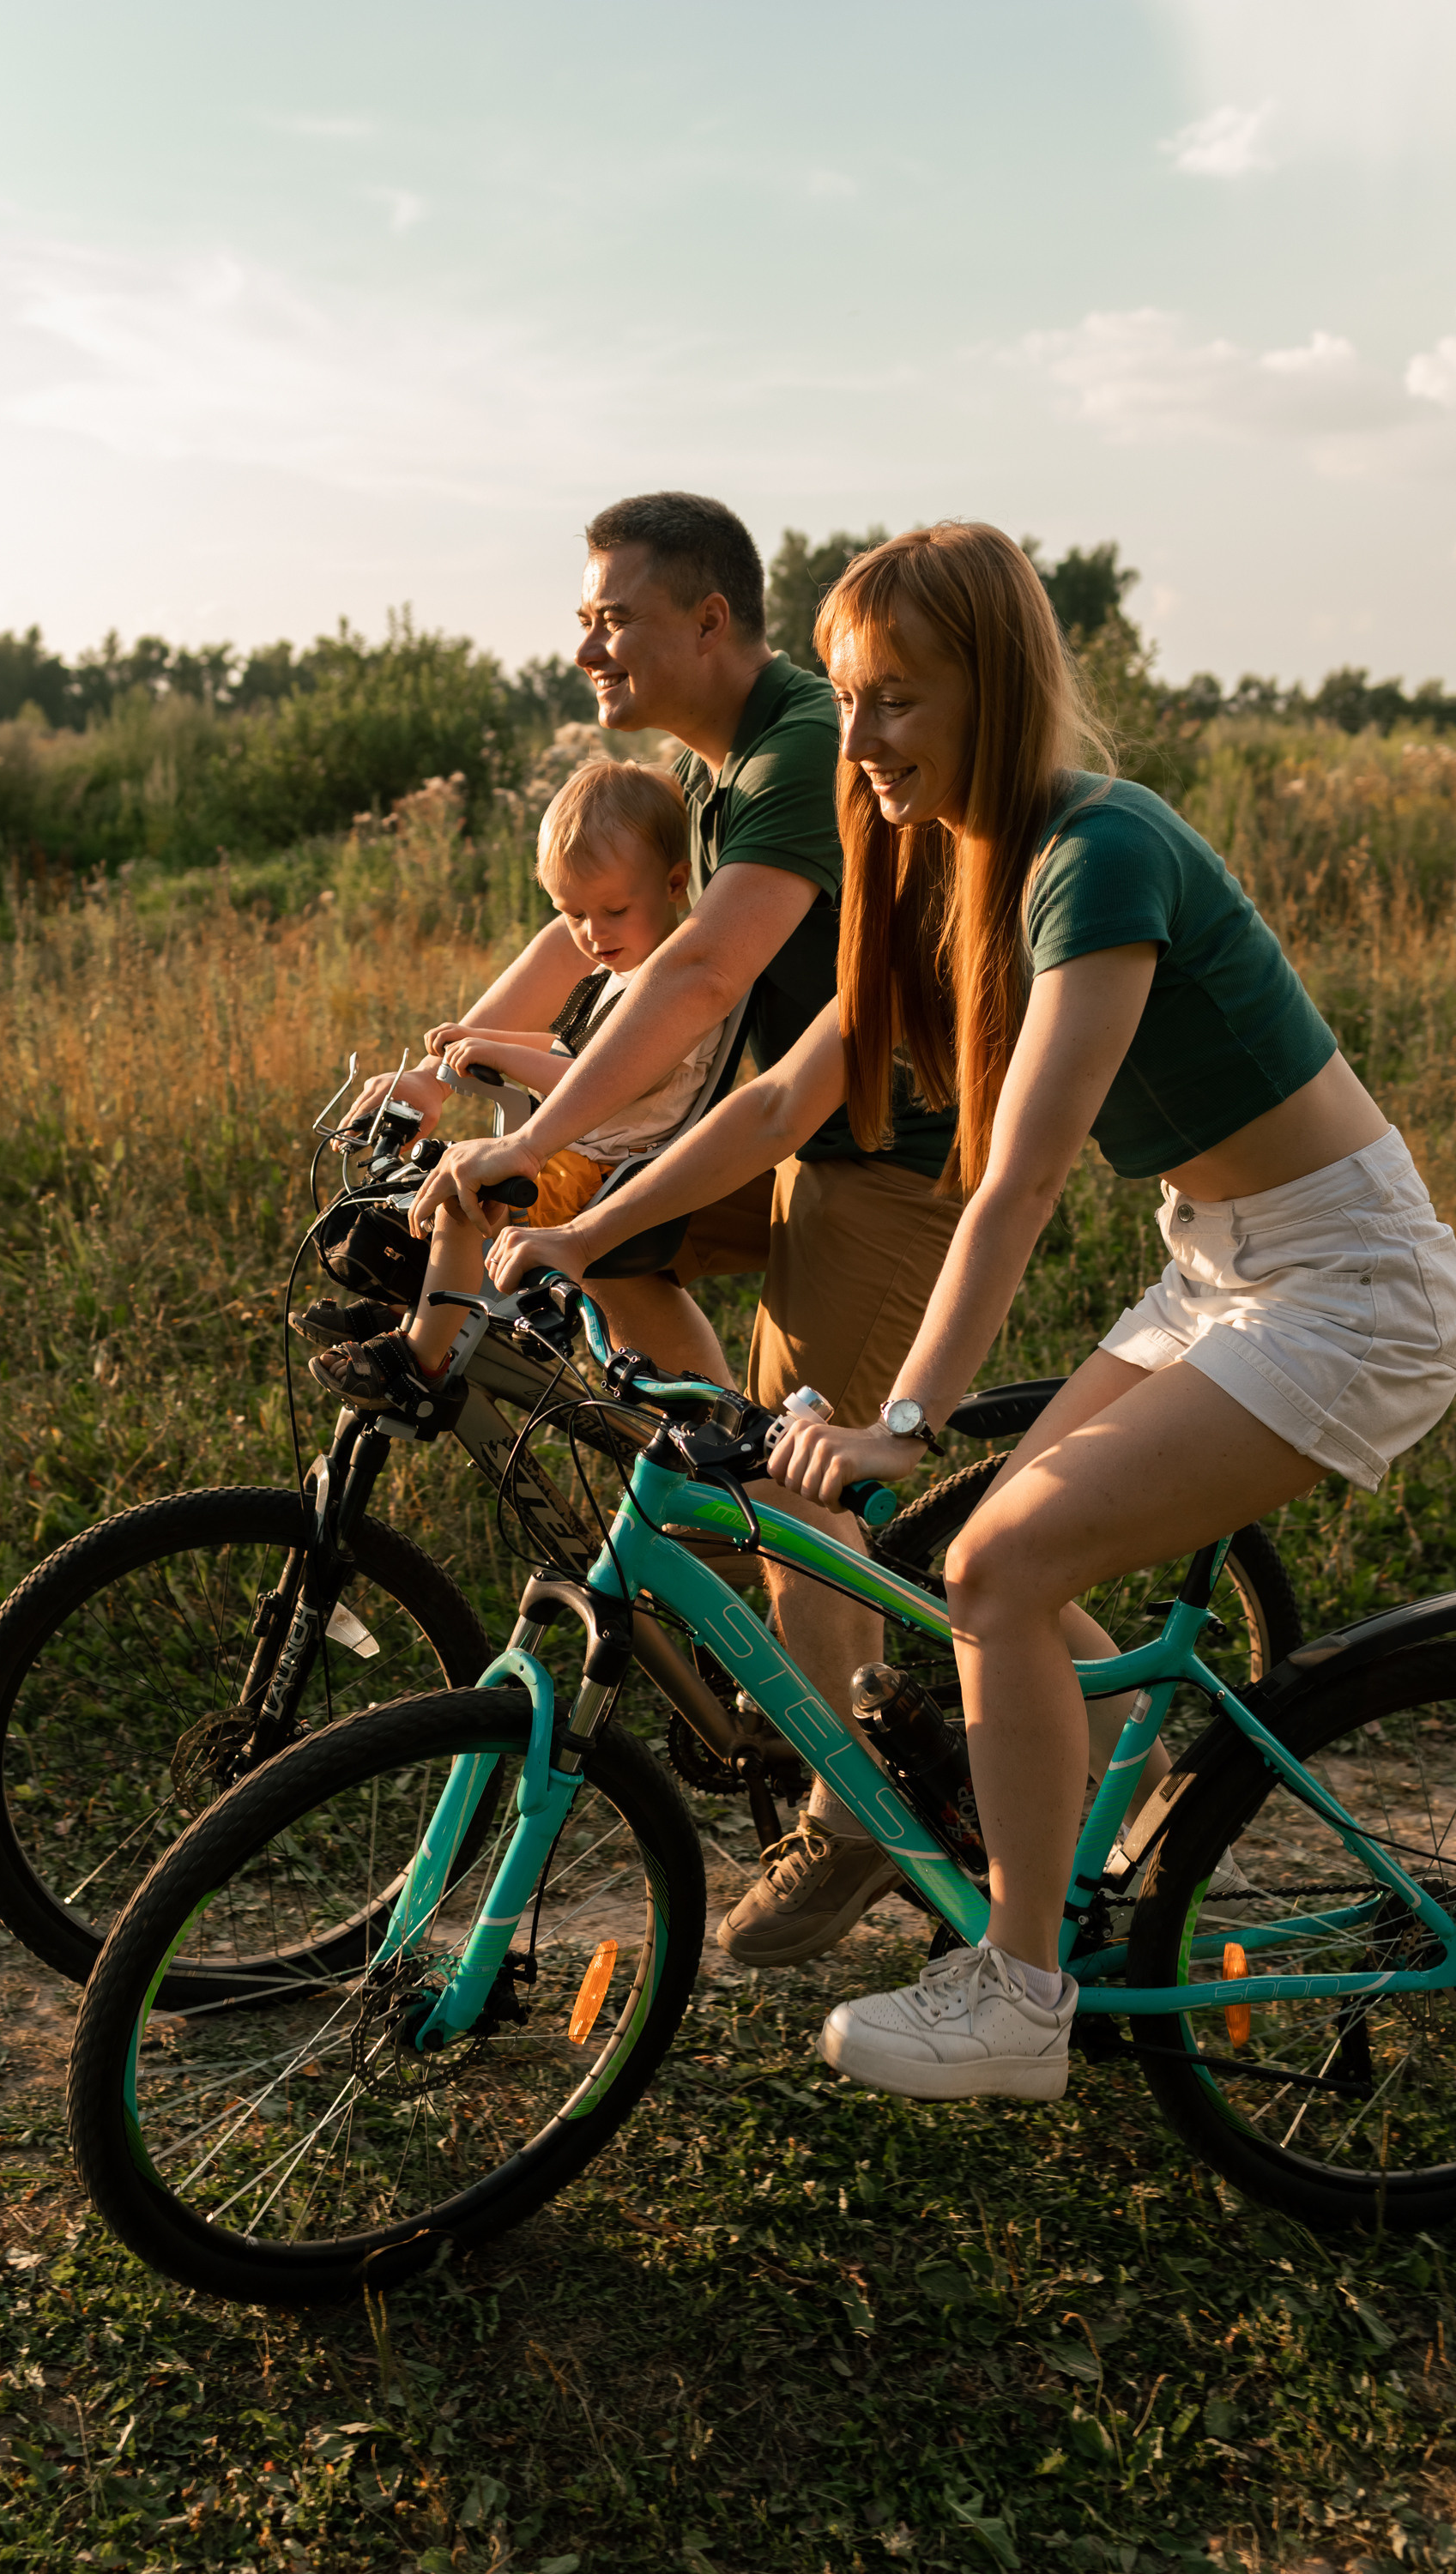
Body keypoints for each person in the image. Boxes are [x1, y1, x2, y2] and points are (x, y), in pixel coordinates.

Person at [487, 519, 1456, 2104]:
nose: (855, 740)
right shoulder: (955, 867)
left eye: (898, 703)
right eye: (850, 699)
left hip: (1346, 1282)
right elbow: (796, 1091)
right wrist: (580, 1220)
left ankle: (1019, 1992)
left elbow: (1011, 1181)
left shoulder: (1099, 852)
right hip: (1224, 1260)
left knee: (996, 1561)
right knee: (968, 1563)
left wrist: (901, 1421)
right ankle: (1127, 1817)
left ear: (993, 693)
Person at [408, 492, 964, 1969]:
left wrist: (529, 1143)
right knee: (628, 1260)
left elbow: (704, 973)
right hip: (784, 1124)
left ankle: (858, 1810)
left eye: (613, 614)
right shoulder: (708, 768)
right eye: (586, 616)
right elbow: (582, 941)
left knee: (797, 1483)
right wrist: (467, 1068)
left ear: (706, 621)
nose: (586, 640)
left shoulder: (791, 754)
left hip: (877, 1156)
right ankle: (718, 1540)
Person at [311, 759, 722, 1414]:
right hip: (578, 1147)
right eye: (573, 914)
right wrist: (474, 1051)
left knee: (465, 1198)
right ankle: (406, 1317)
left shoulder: (669, 985)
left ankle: (421, 1360)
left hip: (604, 1170)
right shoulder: (618, 971)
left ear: (676, 884)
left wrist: (501, 1049)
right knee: (435, 1176)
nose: (592, 934)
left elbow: (607, 1079)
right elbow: (572, 1051)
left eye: (613, 910)